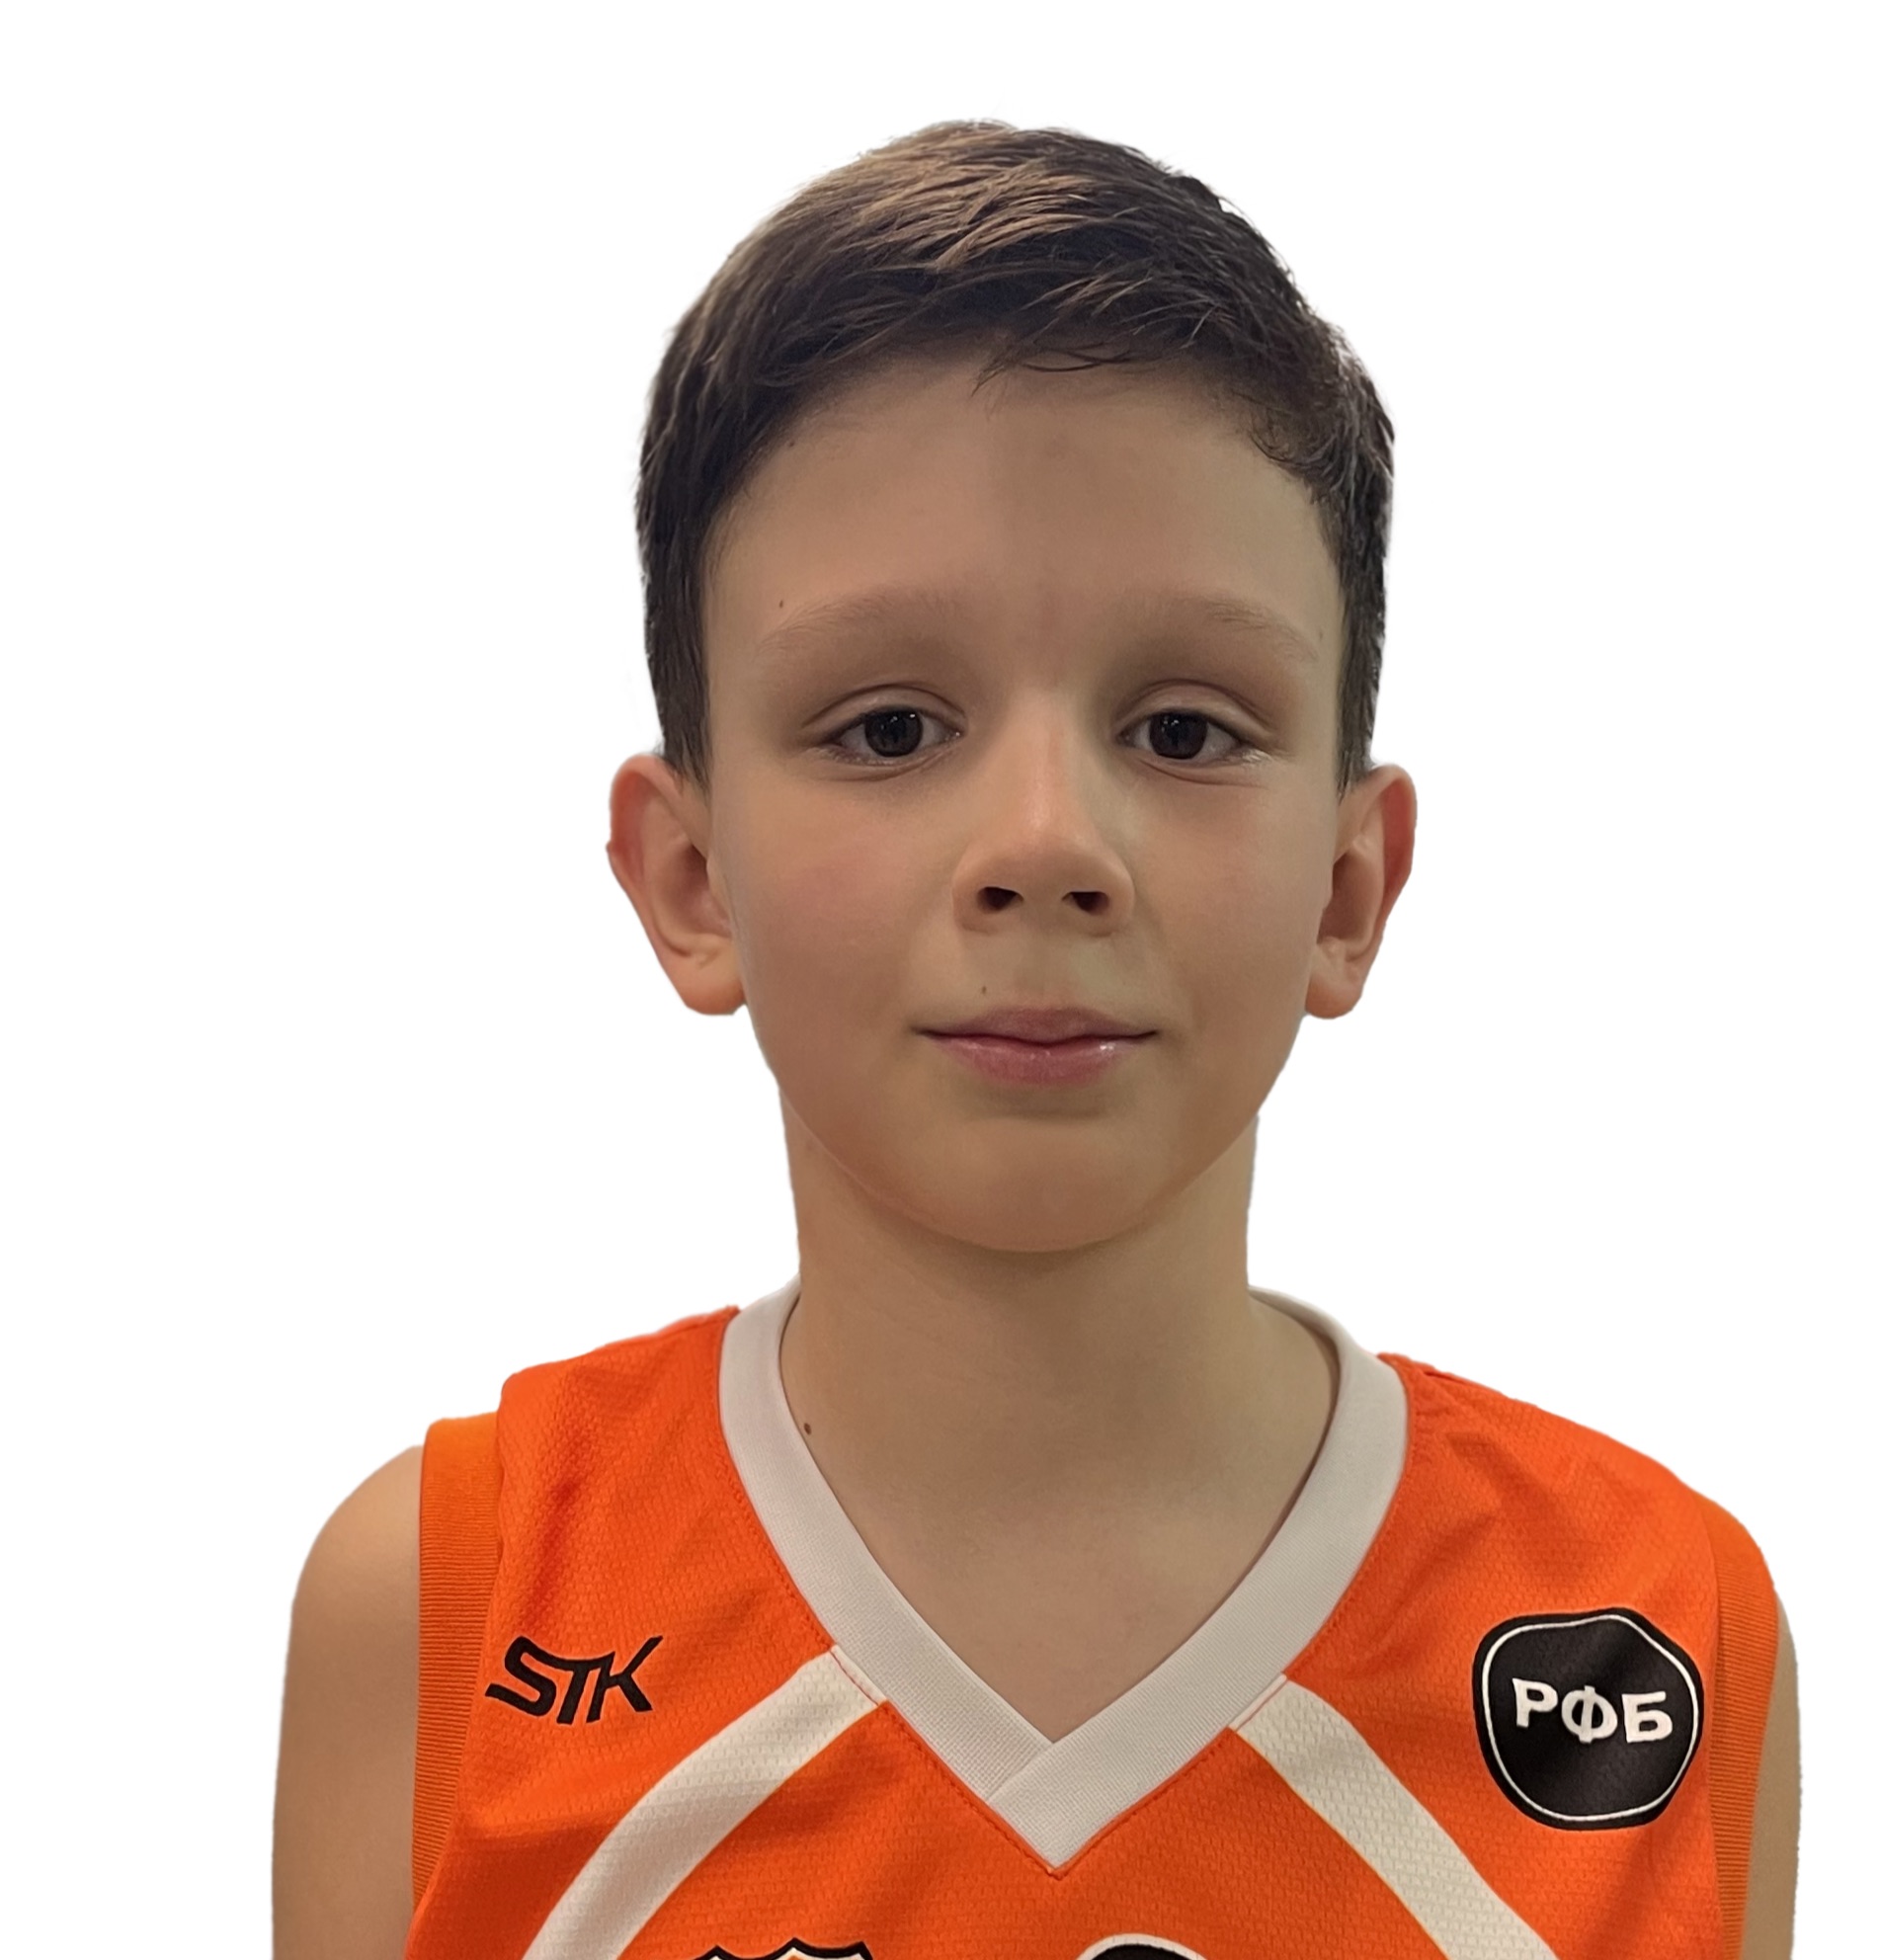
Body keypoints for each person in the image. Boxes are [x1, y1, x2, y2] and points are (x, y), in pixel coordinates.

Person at [272, 122, 1799, 1960]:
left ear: (1346, 889)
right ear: (689, 879)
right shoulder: (440, 1600)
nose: (1048, 845)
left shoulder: (1658, 1622)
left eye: (1185, 728)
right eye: (890, 728)